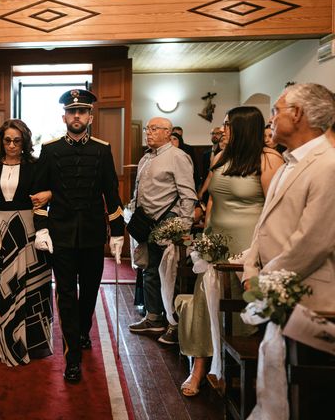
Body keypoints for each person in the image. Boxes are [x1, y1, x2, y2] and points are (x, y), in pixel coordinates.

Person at [176, 106, 284, 397]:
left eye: (228, 124)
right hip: (216, 242)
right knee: (203, 303)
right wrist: (204, 230)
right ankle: (198, 369)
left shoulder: (268, 160)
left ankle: (233, 370)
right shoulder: (221, 156)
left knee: (240, 307)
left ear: (244, 128)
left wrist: (261, 251)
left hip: (248, 246)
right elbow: (213, 198)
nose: (223, 130)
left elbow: (276, 210)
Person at [33, 89, 125, 383]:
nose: (76, 116)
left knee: (89, 291)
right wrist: (42, 228)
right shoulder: (50, 150)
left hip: (92, 233)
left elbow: (111, 192)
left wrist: (118, 232)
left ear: (90, 116)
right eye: (72, 112)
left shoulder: (102, 149)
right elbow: (38, 195)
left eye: (82, 111)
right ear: (64, 117)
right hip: (60, 234)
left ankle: (83, 330)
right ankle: (72, 357)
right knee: (66, 294)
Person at [242, 83, 335, 311]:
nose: (271, 120)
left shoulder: (328, 164)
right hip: (274, 290)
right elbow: (263, 225)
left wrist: (264, 279)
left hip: (307, 293)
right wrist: (250, 270)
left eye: (275, 111)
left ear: (297, 114)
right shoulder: (287, 163)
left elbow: (313, 242)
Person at [0, 120, 53, 366]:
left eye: (17, 140)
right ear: (1, 140)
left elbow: (51, 189)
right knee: (2, 283)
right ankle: (4, 337)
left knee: (29, 284)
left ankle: (31, 341)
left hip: (28, 228)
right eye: (7, 140)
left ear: (25, 141)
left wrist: (48, 195)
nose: (11, 145)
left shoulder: (36, 164)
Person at [128, 117, 196, 344]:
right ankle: (153, 317)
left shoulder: (178, 157)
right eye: (148, 128)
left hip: (167, 221)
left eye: (154, 129)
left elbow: (188, 194)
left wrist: (183, 226)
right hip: (145, 221)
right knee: (148, 269)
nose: (148, 132)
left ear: (168, 133)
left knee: (168, 274)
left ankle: (173, 323)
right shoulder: (146, 157)